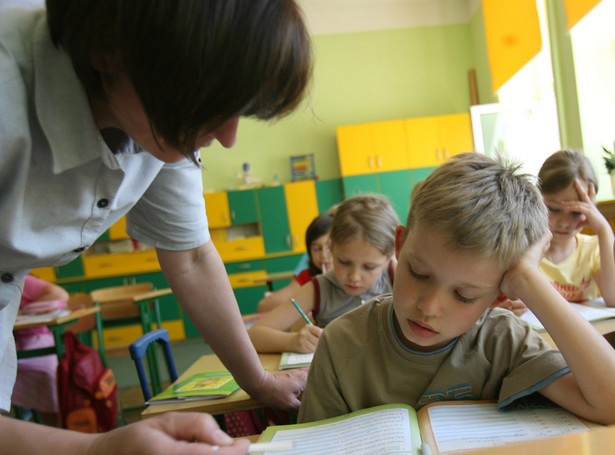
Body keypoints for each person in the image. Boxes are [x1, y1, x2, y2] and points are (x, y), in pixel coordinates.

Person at [0, 0, 311, 451]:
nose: (228, 137)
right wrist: (99, 448)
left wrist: (260, 382)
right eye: (213, 104)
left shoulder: (156, 112)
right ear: (110, 49)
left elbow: (192, 255)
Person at [298, 153, 615, 426]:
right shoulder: (339, 344)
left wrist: (528, 280)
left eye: (465, 295)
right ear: (400, 245)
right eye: (418, 273)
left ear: (499, 294)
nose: (430, 307)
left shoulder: (502, 342)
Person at [249, 195, 398, 354]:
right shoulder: (318, 289)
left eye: (369, 267)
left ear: (390, 257)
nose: (354, 277)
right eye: (344, 262)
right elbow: (253, 335)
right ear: (331, 249)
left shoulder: (396, 276)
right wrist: (292, 340)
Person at [493, 150, 615, 314]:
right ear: (536, 198)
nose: (564, 223)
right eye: (554, 209)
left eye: (577, 212)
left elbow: (613, 299)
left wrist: (604, 230)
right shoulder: (520, 250)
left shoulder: (594, 249)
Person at [12, 275, 69, 426]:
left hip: (36, 339)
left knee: (47, 374)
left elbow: (61, 294)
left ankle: (54, 425)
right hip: (10, 345)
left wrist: (23, 312)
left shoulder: (20, 278)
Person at [257, 214, 334, 313]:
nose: (323, 255)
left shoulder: (349, 277)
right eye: (317, 249)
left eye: (329, 247)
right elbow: (263, 306)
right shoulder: (307, 278)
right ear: (309, 253)